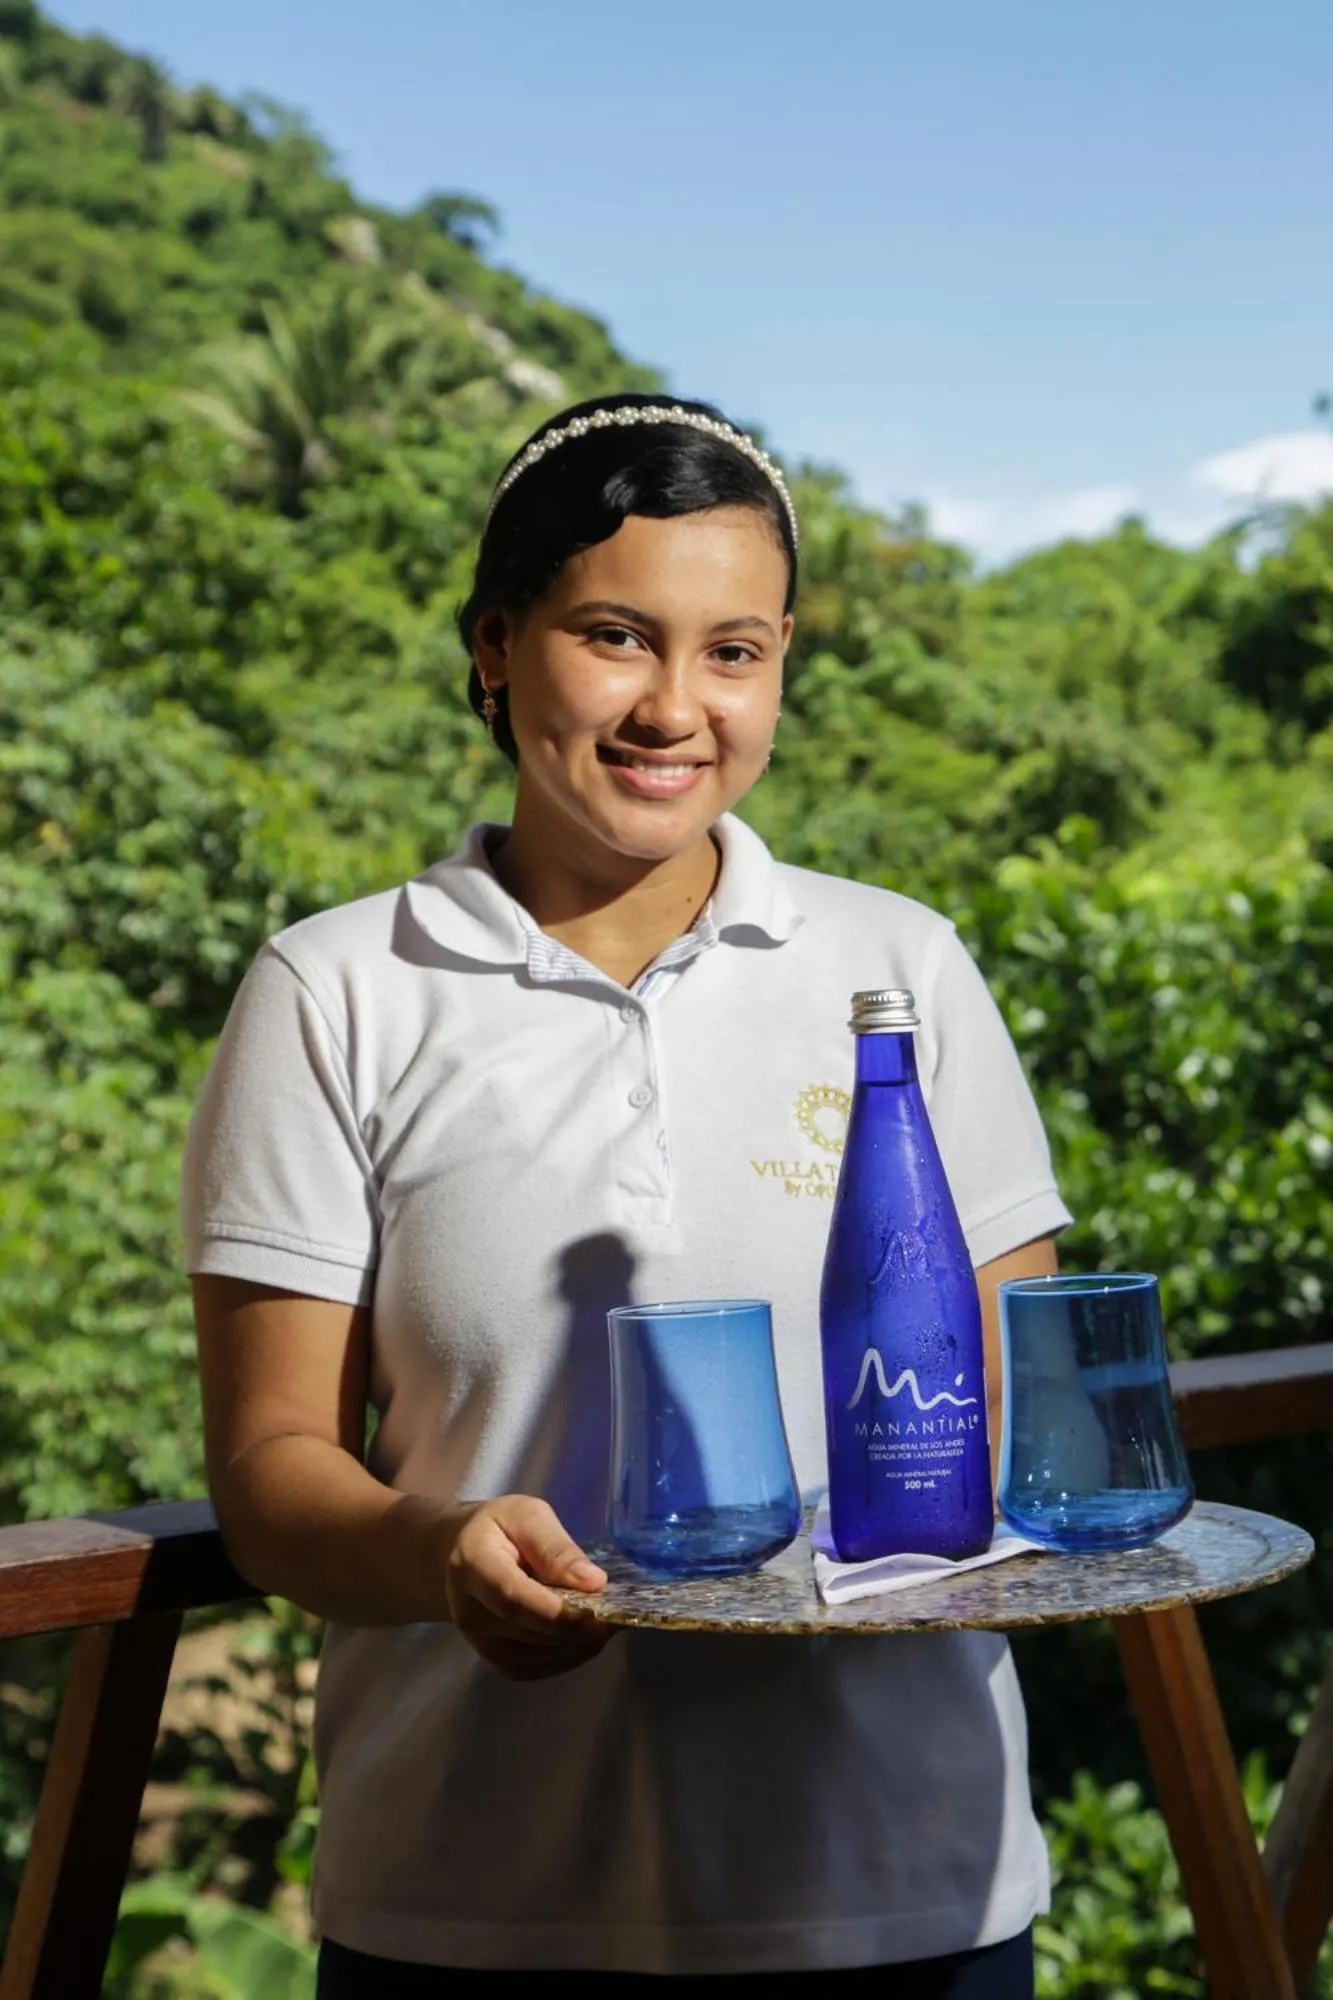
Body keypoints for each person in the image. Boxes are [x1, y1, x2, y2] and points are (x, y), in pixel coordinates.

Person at [183, 392, 1071, 1997]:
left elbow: (1017, 1403)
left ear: (784, 664)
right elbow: (267, 1469)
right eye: (616, 636)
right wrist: (439, 1549)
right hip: (475, 1902)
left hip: (903, 1890)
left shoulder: (899, 969)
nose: (677, 707)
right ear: (496, 646)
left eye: (735, 650)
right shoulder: (337, 992)